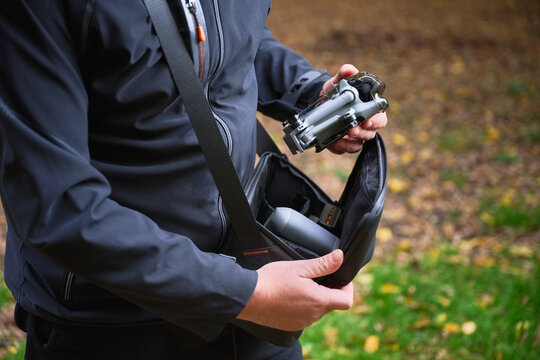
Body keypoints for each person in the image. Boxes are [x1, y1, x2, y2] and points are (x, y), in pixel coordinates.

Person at [0, 0, 387, 359]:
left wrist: (312, 95)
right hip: (108, 322)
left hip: (252, 287)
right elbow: (58, 207)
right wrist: (245, 295)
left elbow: (238, 39)